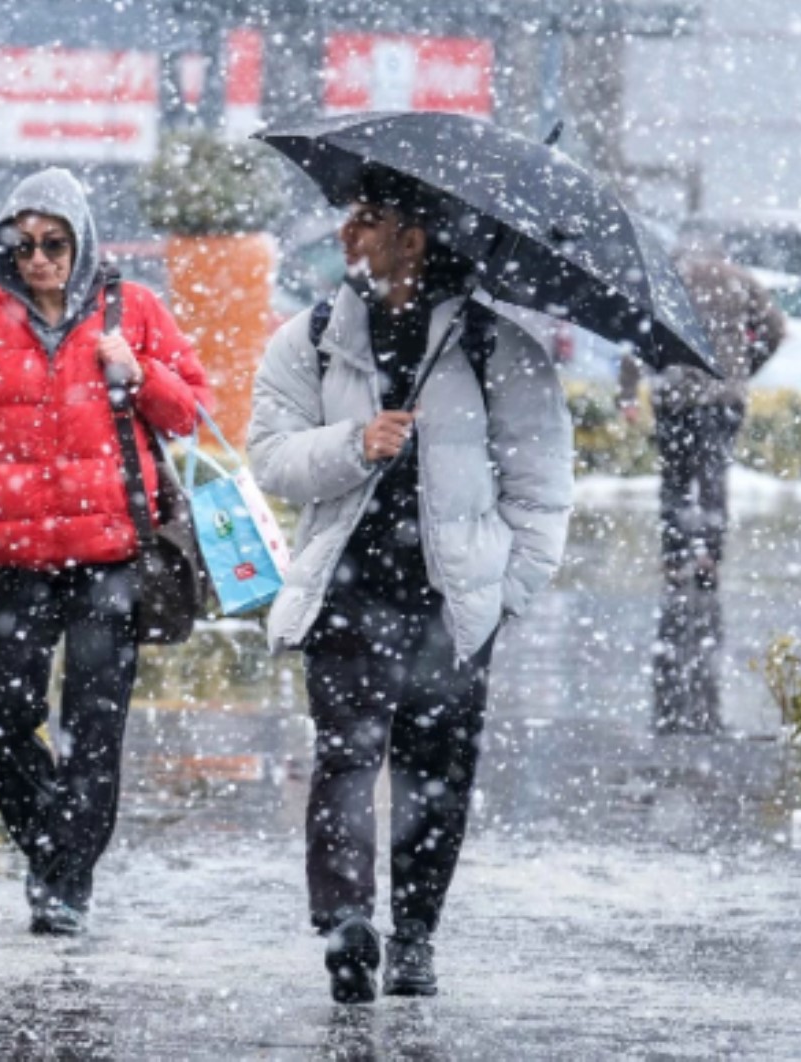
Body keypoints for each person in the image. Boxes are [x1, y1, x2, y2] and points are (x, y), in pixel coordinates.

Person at [248, 177, 573, 1002]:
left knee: (437, 771)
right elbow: (272, 457)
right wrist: (356, 443)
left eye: (369, 219)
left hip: (451, 600)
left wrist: (506, 595)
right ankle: (350, 923)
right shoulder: (314, 337)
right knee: (347, 759)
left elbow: (541, 491)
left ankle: (417, 934)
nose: (349, 231)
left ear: (415, 239)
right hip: (349, 588)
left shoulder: (498, 350)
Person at [0, 167, 212, 936]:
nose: (40, 259)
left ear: (80, 243)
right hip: (15, 555)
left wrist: (139, 371)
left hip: (111, 554)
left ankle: (65, 884)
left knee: (95, 723)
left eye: (55, 243)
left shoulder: (136, 311)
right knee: (0, 709)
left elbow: (190, 412)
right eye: (23, 245)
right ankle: (53, 847)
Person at [618, 253, 784, 734]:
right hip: (722, 393)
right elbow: (774, 328)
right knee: (714, 480)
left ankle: (674, 557)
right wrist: (744, 367)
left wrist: (630, 390)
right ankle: (708, 555)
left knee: (674, 478)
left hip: (675, 392)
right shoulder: (740, 278)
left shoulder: (664, 273)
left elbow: (635, 334)